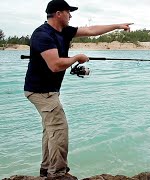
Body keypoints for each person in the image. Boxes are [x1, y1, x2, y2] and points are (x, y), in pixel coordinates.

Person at [24, 0, 132, 179]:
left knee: (50, 130)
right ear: (59, 13)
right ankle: (58, 174)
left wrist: (117, 26)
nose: (71, 15)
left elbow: (91, 30)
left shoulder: (64, 31)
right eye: (68, 12)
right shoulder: (42, 35)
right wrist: (76, 58)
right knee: (59, 129)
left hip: (49, 90)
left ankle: (46, 170)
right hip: (40, 91)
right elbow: (55, 65)